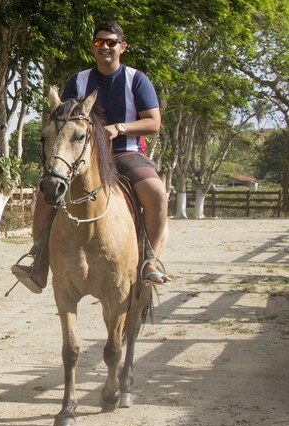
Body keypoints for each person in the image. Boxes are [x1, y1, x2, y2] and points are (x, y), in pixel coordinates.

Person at [11, 20, 170, 293]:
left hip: (125, 152)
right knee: (45, 192)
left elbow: (153, 123)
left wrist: (119, 129)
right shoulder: (78, 80)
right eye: (99, 42)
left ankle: (150, 260)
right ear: (93, 46)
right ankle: (39, 261)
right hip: (82, 156)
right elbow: (63, 118)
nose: (105, 47)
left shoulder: (136, 80)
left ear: (122, 47)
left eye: (111, 42)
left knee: (156, 192)